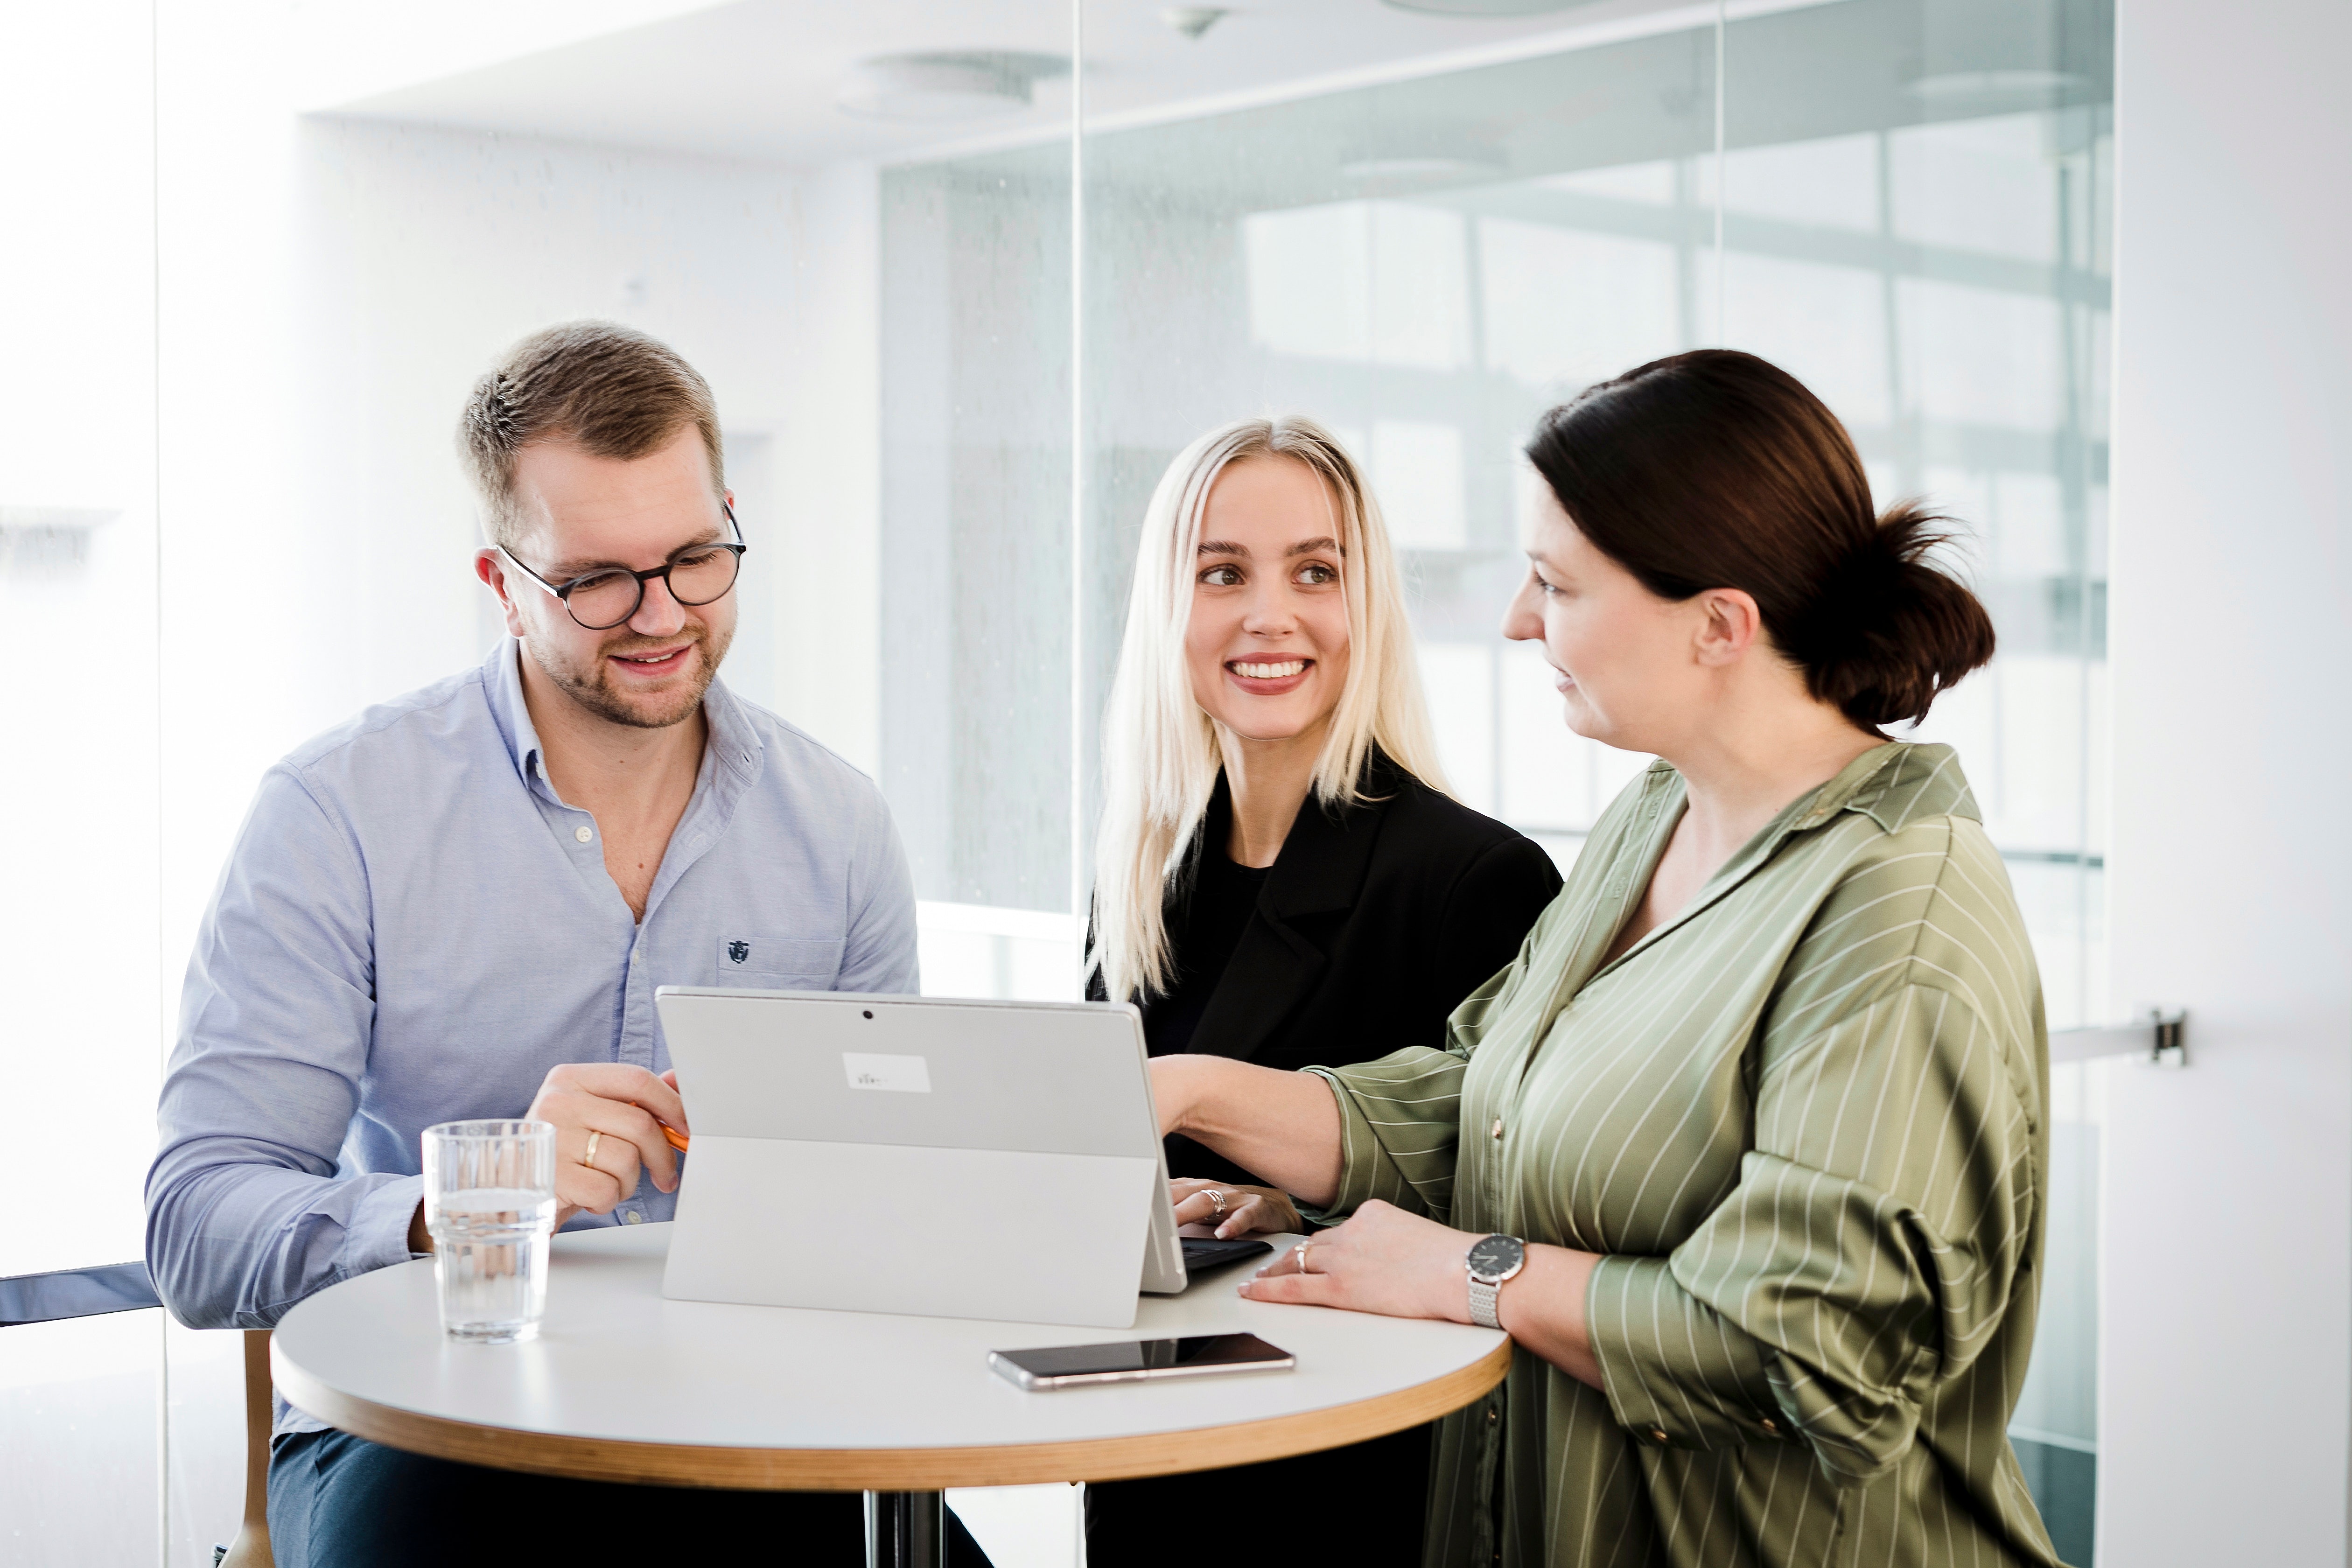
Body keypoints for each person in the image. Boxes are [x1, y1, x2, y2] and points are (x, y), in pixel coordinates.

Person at [1149, 351, 2066, 1567]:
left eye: (1555, 585)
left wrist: (1468, 1272)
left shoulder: (1897, 916)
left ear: (1720, 625)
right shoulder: (1655, 820)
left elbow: (1814, 1354)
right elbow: (1485, 1104)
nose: (1520, 619)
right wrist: (1196, 1090)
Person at [145, 321, 990, 1567]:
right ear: (502, 584)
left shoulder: (838, 825)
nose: (661, 616)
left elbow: (884, 1199)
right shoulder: (338, 813)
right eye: (597, 579)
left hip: (756, 1418)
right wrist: (464, 1204)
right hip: (424, 1417)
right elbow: (196, 1224)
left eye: (696, 558)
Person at [1083, 416, 1560, 1566]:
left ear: (1369, 607)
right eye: (1222, 573)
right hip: (1155, 1452)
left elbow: (1518, 1208)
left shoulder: (1475, 880)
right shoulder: (1148, 879)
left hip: (1345, 1486)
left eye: (1315, 572)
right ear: (1171, 609)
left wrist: (1316, 1217)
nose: (1268, 614)